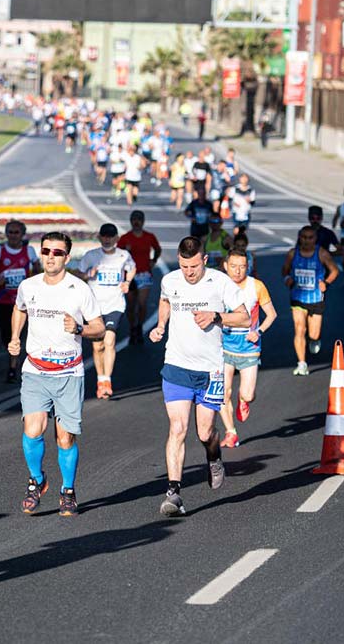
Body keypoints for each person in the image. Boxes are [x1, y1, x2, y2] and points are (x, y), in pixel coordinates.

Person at [149, 237, 249, 516]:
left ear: (204, 260)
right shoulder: (170, 280)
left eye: (193, 266)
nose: (189, 272)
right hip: (176, 366)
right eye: (184, 266)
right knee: (177, 428)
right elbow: (165, 301)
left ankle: (214, 456)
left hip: (210, 370)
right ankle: (173, 493)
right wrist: (160, 325)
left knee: (205, 432)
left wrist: (216, 316)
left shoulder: (220, 283)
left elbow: (244, 318)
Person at [10, 231, 105, 517]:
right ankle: (37, 481)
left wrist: (79, 328)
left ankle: (67, 490)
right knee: (32, 429)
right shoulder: (28, 286)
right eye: (46, 251)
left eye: (57, 252)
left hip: (69, 373)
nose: (50, 257)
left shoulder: (79, 289)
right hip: (36, 370)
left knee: (65, 439)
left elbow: (99, 328)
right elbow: (19, 309)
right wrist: (15, 336)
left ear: (67, 257)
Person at [217, 249, 276, 447]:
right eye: (233, 266)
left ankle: (244, 400)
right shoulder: (218, 285)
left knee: (248, 394)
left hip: (249, 348)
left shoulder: (256, 286)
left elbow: (272, 314)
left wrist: (258, 331)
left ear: (247, 267)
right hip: (224, 347)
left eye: (242, 267)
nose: (237, 271)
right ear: (226, 266)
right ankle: (231, 432)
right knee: (223, 393)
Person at [77, 224, 136, 399]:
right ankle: (100, 379)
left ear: (116, 238)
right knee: (98, 346)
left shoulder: (123, 255)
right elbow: (79, 275)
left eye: (111, 236)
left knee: (109, 341)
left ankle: (107, 381)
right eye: (104, 236)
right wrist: (88, 274)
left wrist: (127, 282)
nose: (107, 239)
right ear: (99, 237)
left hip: (114, 305)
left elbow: (132, 268)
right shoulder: (91, 256)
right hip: (94, 308)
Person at [0, 220, 40, 383]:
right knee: (7, 336)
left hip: (24, 302)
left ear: (23, 234)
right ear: (6, 234)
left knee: (20, 334)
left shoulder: (29, 251)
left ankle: (13, 368)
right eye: (10, 232)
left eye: (16, 232)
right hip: (5, 300)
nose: (13, 236)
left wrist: (32, 281)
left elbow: (37, 268)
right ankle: (14, 361)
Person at [282, 226, 340, 376]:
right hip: (298, 298)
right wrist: (287, 279)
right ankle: (302, 364)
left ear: (315, 239)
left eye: (310, 237)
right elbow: (285, 269)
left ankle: (314, 339)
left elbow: (335, 270)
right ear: (299, 238)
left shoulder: (321, 253)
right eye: (304, 237)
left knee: (314, 334)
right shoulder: (293, 253)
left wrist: (326, 283)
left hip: (315, 299)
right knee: (299, 328)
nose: (307, 240)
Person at [117, 210, 162, 343]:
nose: (136, 222)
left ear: (143, 222)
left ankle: (139, 327)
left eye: (139, 220)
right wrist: (126, 251)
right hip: (129, 275)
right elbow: (117, 254)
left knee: (142, 304)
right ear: (131, 221)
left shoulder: (149, 236)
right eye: (134, 220)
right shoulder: (125, 238)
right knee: (131, 305)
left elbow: (157, 249)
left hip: (144, 274)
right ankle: (132, 328)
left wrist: (154, 260)